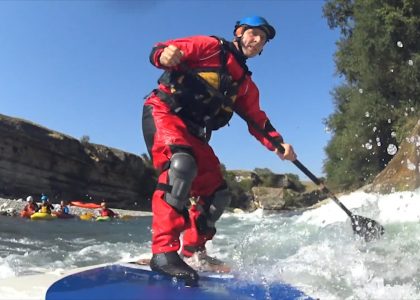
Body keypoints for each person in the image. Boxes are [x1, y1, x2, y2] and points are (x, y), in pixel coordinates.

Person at [142, 16, 297, 283]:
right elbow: (161, 50)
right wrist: (163, 55)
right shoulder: (210, 46)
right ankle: (163, 252)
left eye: (263, 39)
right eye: (254, 34)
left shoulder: (245, 85)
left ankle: (194, 251)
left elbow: (257, 121)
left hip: (195, 132)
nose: (257, 40)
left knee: (217, 193)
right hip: (164, 112)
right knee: (181, 165)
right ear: (239, 33)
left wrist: (278, 143)